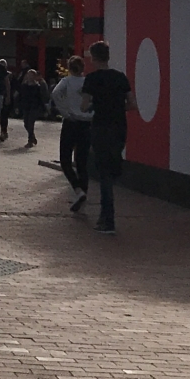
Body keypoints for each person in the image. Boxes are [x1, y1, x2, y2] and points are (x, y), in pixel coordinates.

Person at [79, 41, 133, 236]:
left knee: (103, 173)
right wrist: (116, 106)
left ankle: (107, 218)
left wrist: (96, 105)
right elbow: (132, 104)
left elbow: (83, 106)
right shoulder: (120, 77)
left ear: (94, 57)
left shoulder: (91, 79)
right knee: (111, 167)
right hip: (119, 127)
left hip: (101, 127)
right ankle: (106, 217)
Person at [51, 57, 91, 210]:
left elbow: (55, 93)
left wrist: (65, 112)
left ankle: (78, 189)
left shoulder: (66, 81)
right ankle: (84, 192)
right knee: (82, 161)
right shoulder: (88, 82)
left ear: (69, 68)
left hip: (71, 121)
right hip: (86, 122)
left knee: (65, 159)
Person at [15, 67, 49, 147]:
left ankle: (30, 141)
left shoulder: (38, 86)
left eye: (32, 75)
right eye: (29, 75)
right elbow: (20, 97)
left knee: (30, 123)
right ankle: (32, 136)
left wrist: (44, 109)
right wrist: (17, 106)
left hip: (34, 107)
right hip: (26, 106)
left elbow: (41, 98)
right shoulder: (24, 86)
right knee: (26, 123)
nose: (30, 77)